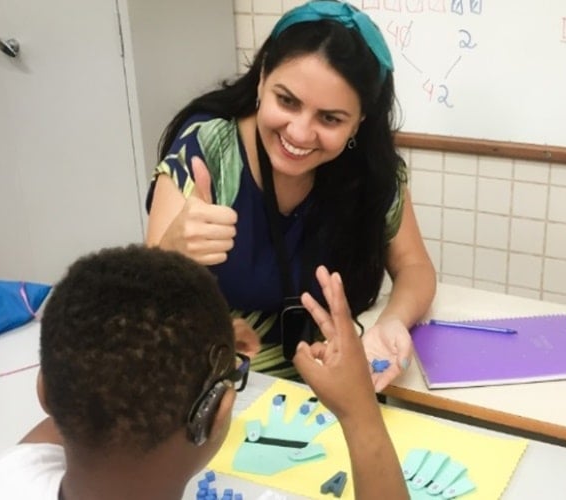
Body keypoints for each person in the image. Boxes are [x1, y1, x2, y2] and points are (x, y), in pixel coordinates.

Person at [144, 0, 436, 391]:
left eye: (330, 118)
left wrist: (392, 321)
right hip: (219, 388)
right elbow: (145, 297)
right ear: (262, 77)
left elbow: (415, 268)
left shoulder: (372, 170)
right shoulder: (207, 148)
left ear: (360, 121)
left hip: (335, 386)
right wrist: (172, 250)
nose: (299, 134)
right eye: (287, 101)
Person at [0, 246, 408, 500]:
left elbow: (84, 388)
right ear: (216, 413)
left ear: (43, 389)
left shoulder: (6, 479)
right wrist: (359, 413)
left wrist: (194, 343)